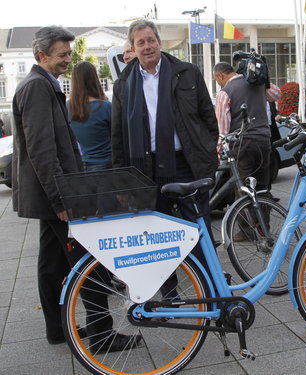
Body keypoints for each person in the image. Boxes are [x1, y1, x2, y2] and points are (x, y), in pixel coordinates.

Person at [12, 26, 140, 350]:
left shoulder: (41, 85)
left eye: (69, 53)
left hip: (49, 194)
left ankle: (57, 329)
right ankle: (101, 333)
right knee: (89, 262)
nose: (69, 60)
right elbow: (42, 149)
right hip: (56, 195)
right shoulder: (37, 88)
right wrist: (60, 198)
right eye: (63, 54)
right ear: (42, 55)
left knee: (52, 264)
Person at [111, 19, 218, 297]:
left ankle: (210, 289)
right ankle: (170, 294)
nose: (147, 46)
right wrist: (124, 181)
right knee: (156, 237)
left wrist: (207, 154)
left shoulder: (187, 73)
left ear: (159, 41)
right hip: (145, 169)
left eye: (151, 40)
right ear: (133, 48)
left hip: (187, 164)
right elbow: (118, 136)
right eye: (140, 42)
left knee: (199, 231)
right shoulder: (124, 83)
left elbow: (209, 118)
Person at [213, 61, 281, 195]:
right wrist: (264, 79)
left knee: (244, 190)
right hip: (263, 140)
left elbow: (223, 129)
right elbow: (277, 94)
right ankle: (263, 214)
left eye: (216, 80)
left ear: (220, 76)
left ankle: (244, 216)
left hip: (241, 146)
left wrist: (218, 153)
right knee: (262, 188)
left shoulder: (225, 92)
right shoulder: (257, 82)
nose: (218, 83)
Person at [68, 61, 112, 171]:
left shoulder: (67, 107)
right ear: (95, 79)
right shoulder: (106, 107)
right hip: (105, 164)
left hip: (79, 165)